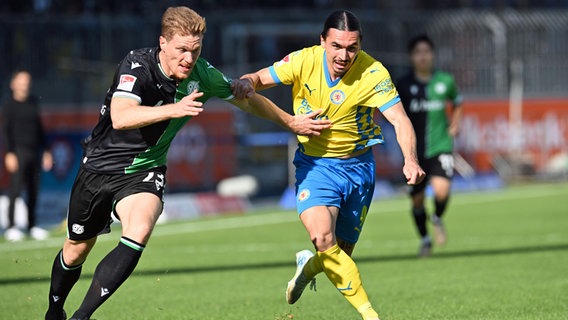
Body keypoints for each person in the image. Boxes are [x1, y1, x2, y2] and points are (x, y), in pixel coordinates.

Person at [44, 6, 331, 320]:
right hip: (99, 168)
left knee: (138, 231)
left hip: (145, 169)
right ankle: (54, 309)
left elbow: (244, 99)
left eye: (195, 51)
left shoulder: (202, 74)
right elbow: (121, 116)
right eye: (181, 49)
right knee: (76, 249)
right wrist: (173, 109)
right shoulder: (136, 65)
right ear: (163, 43)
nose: (188, 58)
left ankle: (81, 317)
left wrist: (290, 121)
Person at [233, 10, 425, 320]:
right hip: (315, 167)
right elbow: (257, 78)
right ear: (323, 41)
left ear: (360, 46)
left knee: (338, 254)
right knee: (323, 238)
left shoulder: (374, 73)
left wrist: (410, 159)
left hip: (359, 169)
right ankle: (371, 314)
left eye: (352, 47)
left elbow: (400, 120)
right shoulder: (303, 60)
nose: (343, 55)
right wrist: (246, 83)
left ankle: (307, 267)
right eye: (336, 46)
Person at [396, 34, 463, 257]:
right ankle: (425, 239)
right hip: (414, 151)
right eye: (418, 52)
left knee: (442, 191)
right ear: (411, 57)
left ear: (432, 55)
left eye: (426, 52)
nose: (423, 57)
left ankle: (436, 218)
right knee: (417, 200)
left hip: (440, 145)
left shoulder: (445, 81)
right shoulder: (404, 85)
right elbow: (395, 114)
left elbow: (458, 102)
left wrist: (455, 123)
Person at [1, 69, 53, 242]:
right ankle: (11, 227)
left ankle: (32, 226)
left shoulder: (32, 102)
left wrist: (46, 151)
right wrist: (9, 153)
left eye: (27, 81)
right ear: (13, 84)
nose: (25, 84)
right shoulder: (9, 106)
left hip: (34, 152)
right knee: (15, 190)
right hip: (18, 152)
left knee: (33, 190)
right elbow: (5, 132)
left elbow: (39, 129)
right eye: (21, 81)